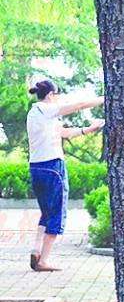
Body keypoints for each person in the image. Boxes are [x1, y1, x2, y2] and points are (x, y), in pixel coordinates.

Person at [25, 79, 104, 271]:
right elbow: (80, 105)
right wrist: (105, 98)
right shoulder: (47, 109)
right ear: (51, 95)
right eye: (57, 95)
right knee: (57, 213)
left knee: (46, 211)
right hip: (53, 167)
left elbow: (63, 133)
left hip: (36, 168)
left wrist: (88, 129)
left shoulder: (35, 113)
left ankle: (36, 251)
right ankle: (43, 261)